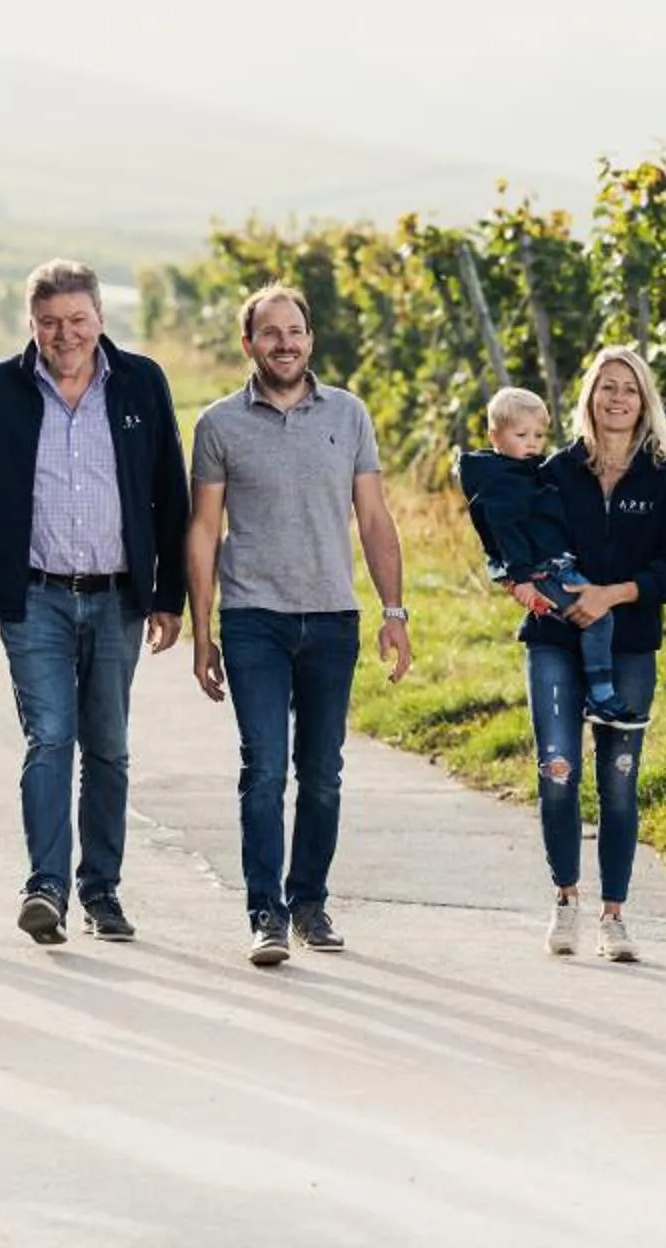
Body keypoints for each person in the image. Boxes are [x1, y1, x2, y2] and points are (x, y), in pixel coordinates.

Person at [0, 259, 189, 946]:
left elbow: (170, 495)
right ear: (32, 325)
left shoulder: (142, 382)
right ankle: (46, 886)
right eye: (51, 323)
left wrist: (168, 594)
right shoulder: (0, 391)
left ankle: (102, 890)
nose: (65, 334)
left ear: (100, 319)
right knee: (51, 735)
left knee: (109, 748)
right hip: (36, 598)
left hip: (119, 598)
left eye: (77, 320)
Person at [182, 285, 411, 968]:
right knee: (263, 770)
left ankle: (309, 902)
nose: (286, 343)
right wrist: (203, 631)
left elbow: (374, 518)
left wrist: (394, 612)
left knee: (322, 774)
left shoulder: (349, 413)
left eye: (297, 331)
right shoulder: (220, 424)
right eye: (271, 333)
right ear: (248, 343)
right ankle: (266, 914)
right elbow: (203, 529)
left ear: (311, 338)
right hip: (254, 619)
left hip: (332, 618)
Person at [488, 345, 666, 963]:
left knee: (618, 782)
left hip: (631, 645)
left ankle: (615, 916)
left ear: (645, 402)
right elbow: (512, 532)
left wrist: (612, 595)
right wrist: (517, 580)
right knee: (558, 771)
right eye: (606, 387)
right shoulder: (553, 471)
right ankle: (565, 899)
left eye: (629, 389)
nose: (617, 399)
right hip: (555, 640)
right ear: (588, 398)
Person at [459, 386, 641, 728]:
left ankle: (583, 673)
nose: (532, 443)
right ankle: (601, 696)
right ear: (494, 437)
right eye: (522, 434)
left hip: (551, 565)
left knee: (581, 618)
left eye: (539, 435)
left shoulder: (521, 471)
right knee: (599, 618)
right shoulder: (501, 483)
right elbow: (505, 532)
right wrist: (521, 579)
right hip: (542, 571)